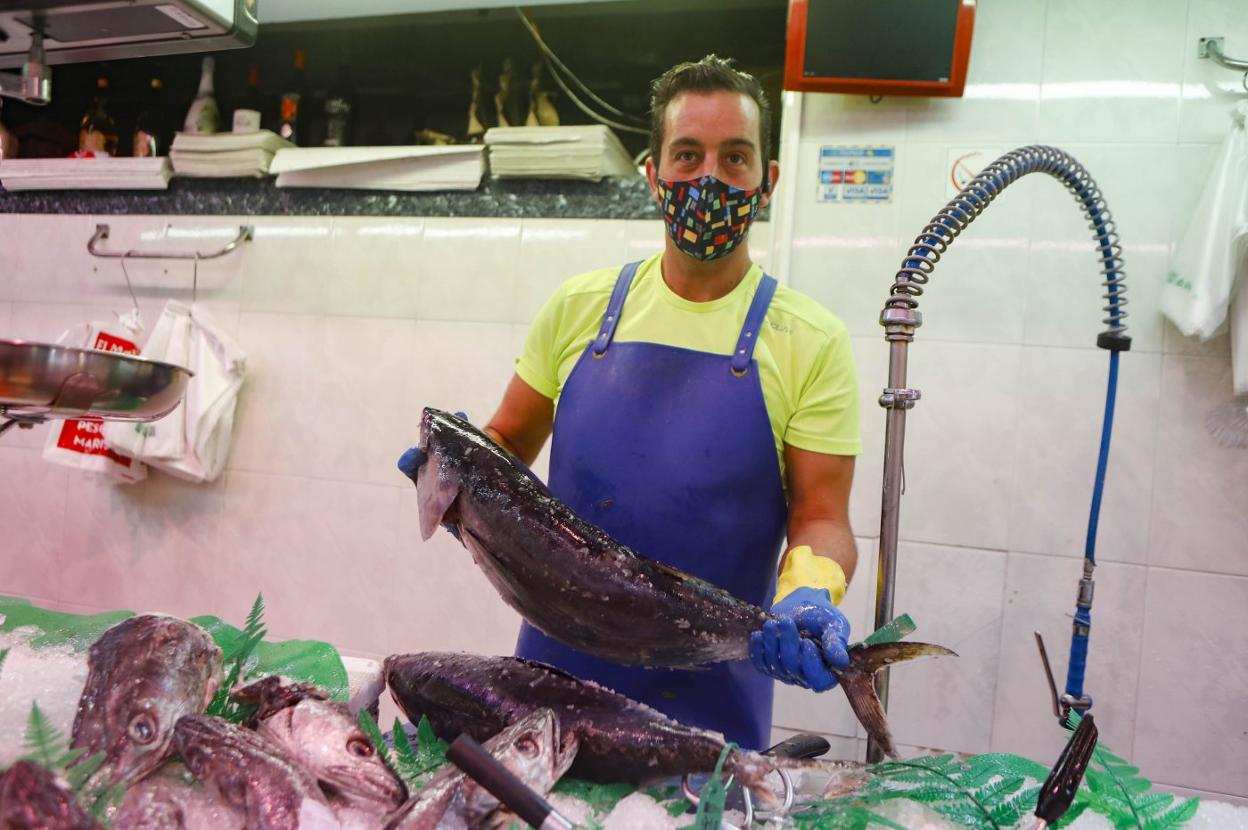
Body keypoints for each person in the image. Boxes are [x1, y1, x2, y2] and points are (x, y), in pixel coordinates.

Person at [408, 55, 862, 751]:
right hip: (550, 689)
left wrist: (811, 592)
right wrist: (456, 476)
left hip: (712, 706)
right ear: (653, 174)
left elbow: (823, 517)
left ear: (767, 181)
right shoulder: (578, 309)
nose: (708, 178)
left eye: (734, 158)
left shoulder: (811, 341)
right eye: (688, 155)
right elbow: (507, 442)